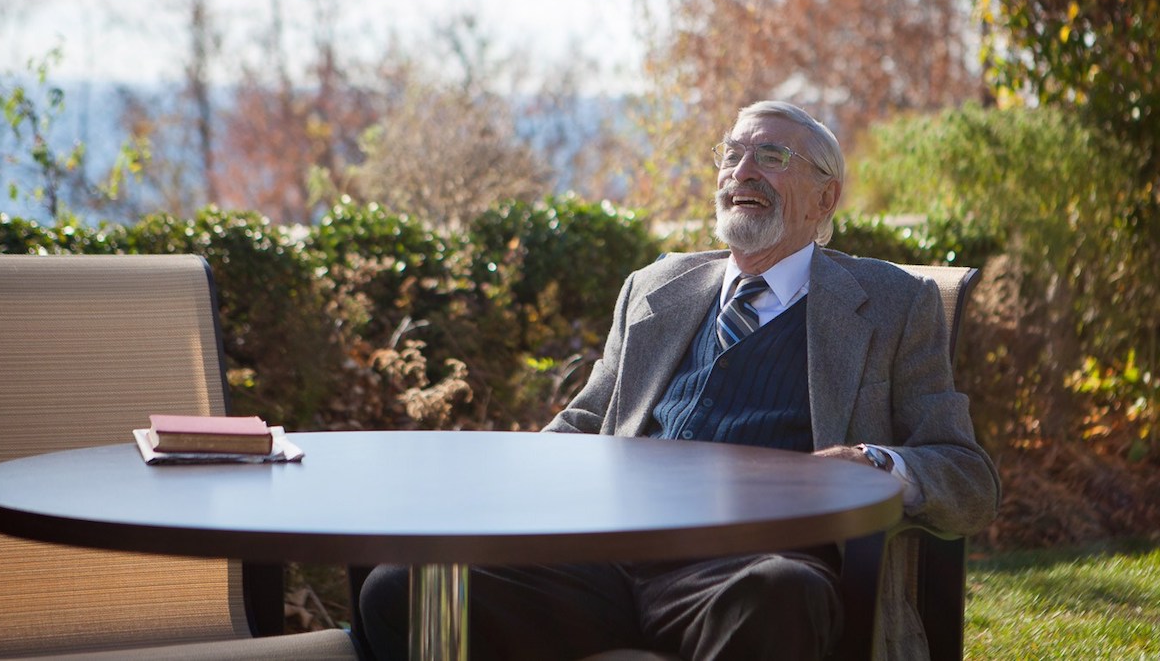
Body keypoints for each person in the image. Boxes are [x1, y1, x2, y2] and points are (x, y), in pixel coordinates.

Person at [359, 100, 1001, 660]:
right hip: (605, 561)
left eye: (771, 156)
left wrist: (872, 460)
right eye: (732, 155)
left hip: (749, 569)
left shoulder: (893, 303)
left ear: (825, 197)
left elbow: (968, 478)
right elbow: (584, 424)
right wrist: (497, 490)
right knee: (407, 588)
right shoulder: (654, 287)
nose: (742, 172)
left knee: (785, 596)